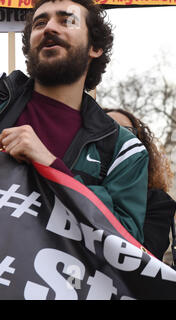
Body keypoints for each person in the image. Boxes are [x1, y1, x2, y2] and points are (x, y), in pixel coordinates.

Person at [0, 0, 148, 242]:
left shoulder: (123, 150)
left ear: (95, 47)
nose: (49, 28)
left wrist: (52, 167)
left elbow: (127, 245)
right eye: (40, 22)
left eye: (67, 20)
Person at [104, 108, 176, 261]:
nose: (116, 136)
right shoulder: (68, 179)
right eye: (106, 127)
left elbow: (144, 258)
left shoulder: (157, 203)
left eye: (126, 131)